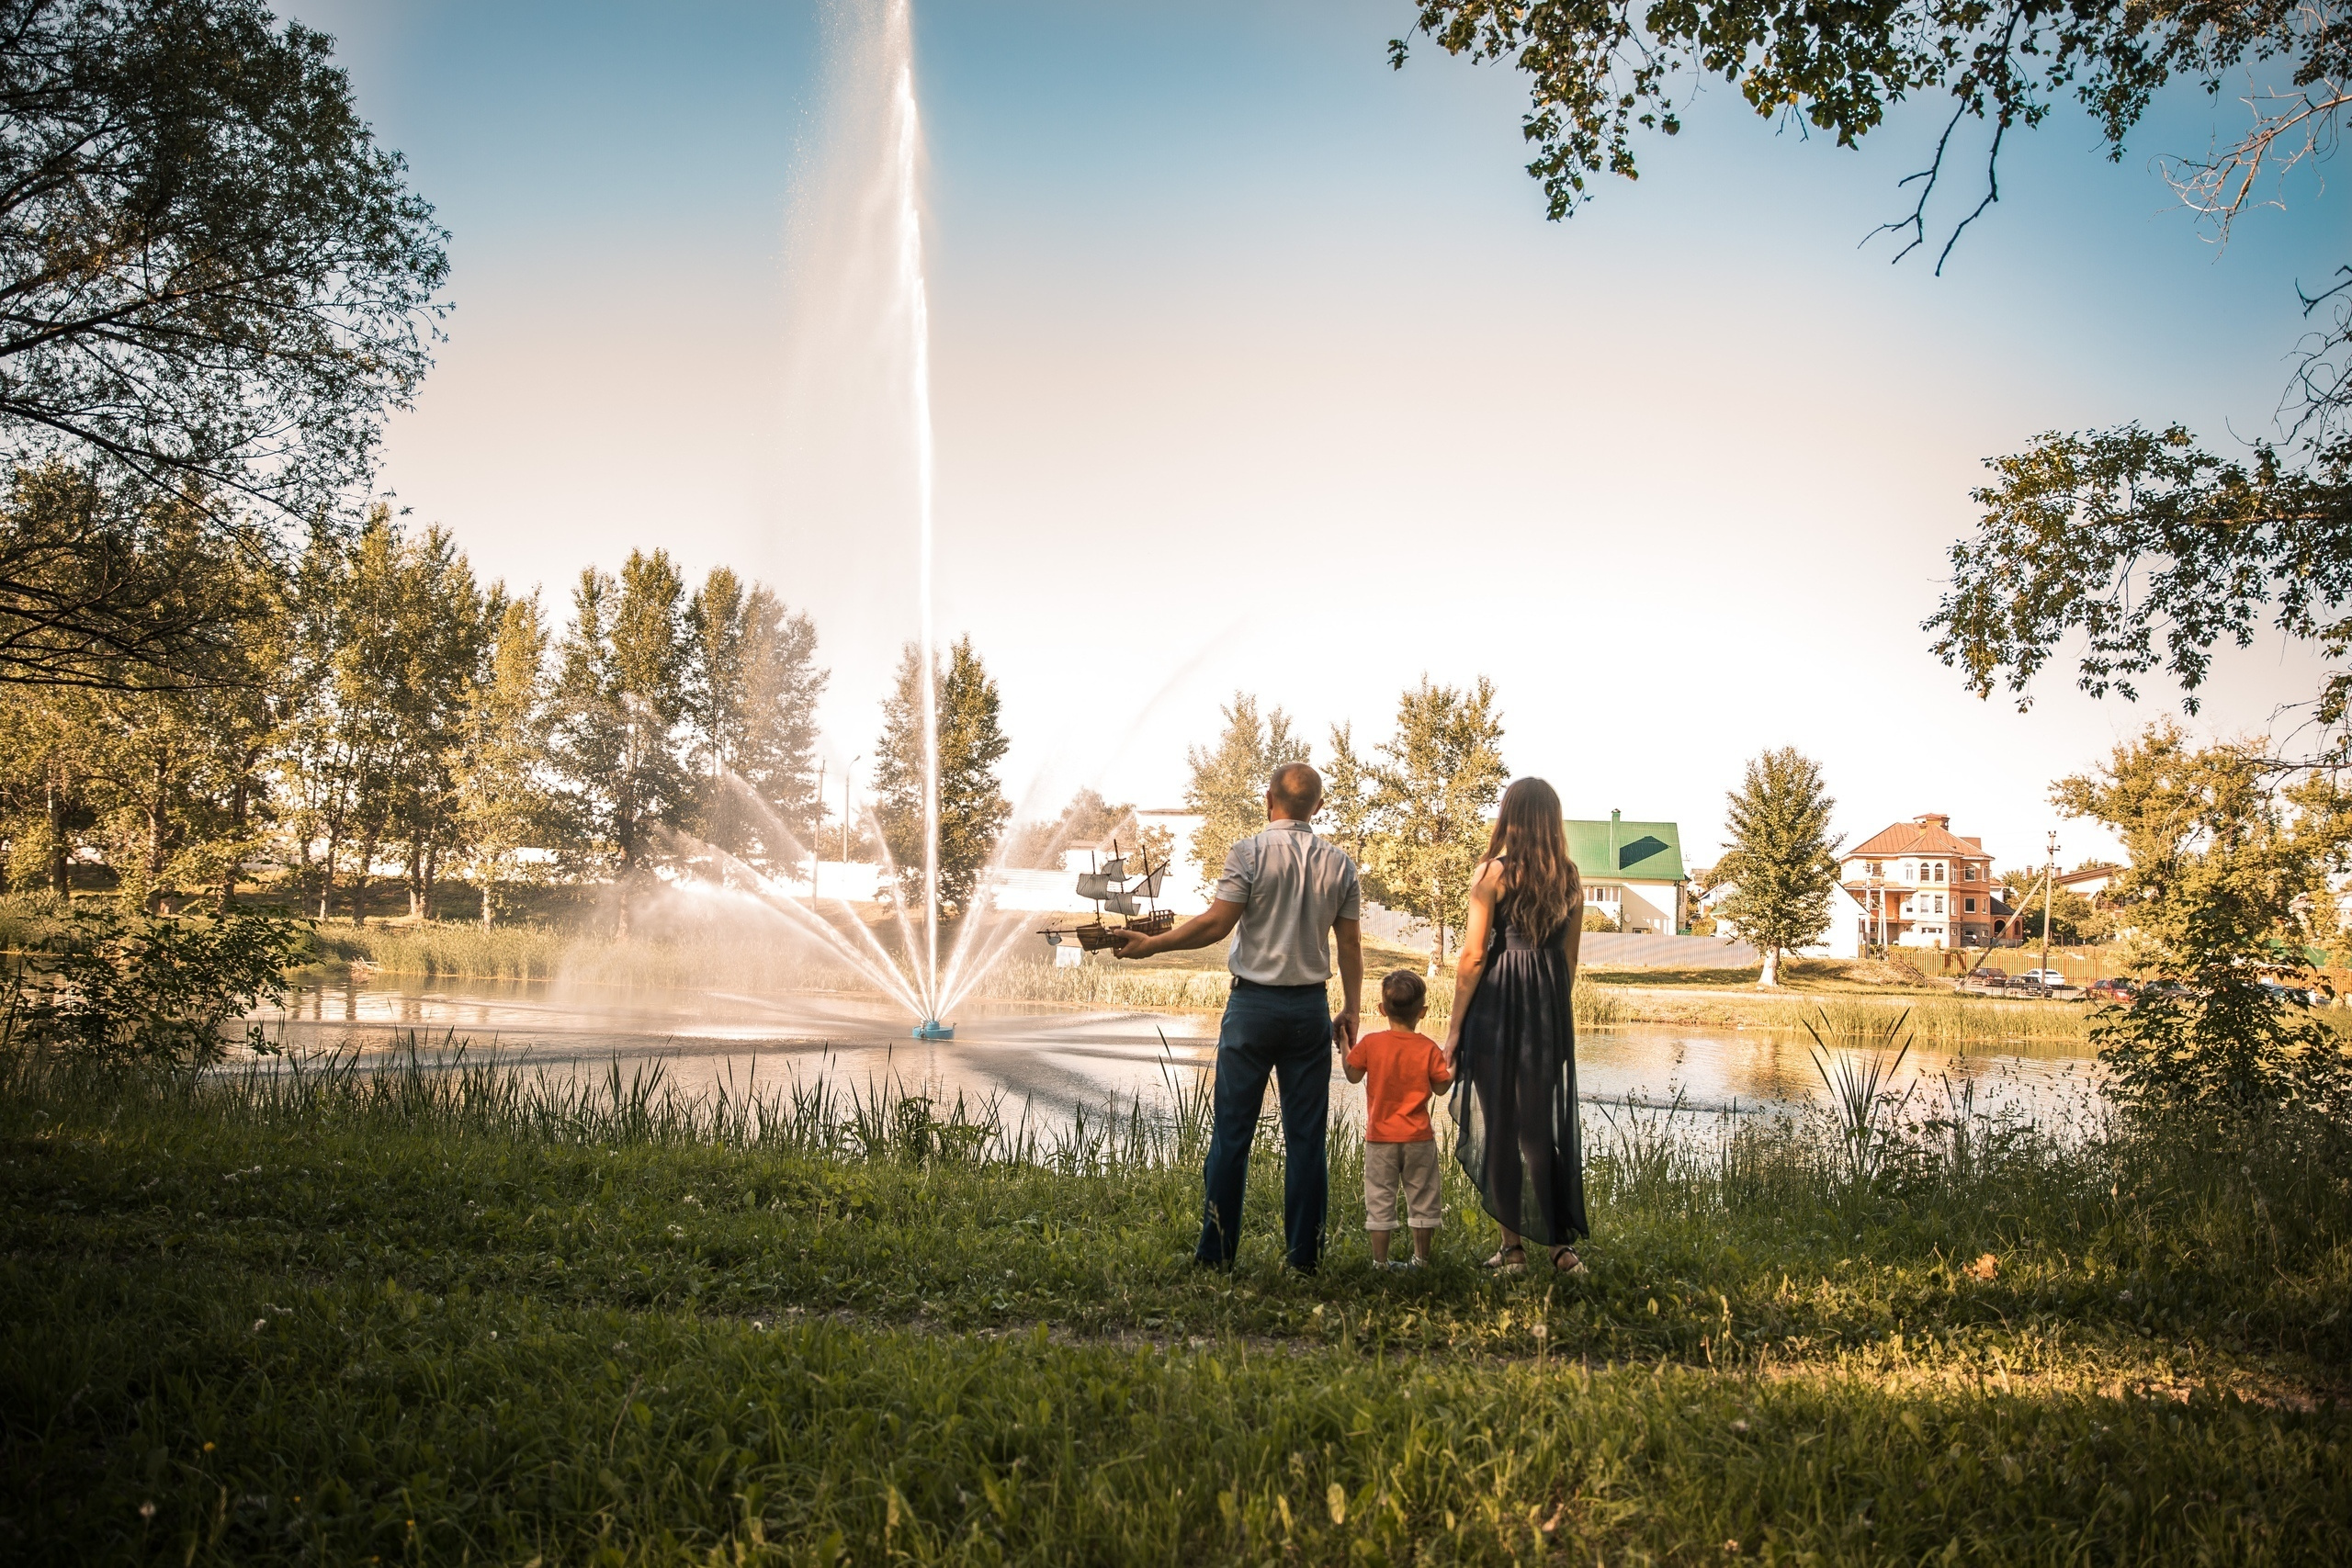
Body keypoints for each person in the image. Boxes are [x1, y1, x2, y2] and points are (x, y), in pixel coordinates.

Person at [1108, 761, 1362, 1270]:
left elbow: (1214, 925)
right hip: (1309, 1009)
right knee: (1307, 1140)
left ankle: (1215, 1256)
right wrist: (1351, 1009)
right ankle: (1304, 1261)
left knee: (1231, 1135)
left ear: (1270, 800)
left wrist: (1151, 946)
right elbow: (1350, 943)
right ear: (1318, 806)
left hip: (1252, 1007)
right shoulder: (1341, 864)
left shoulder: (1249, 853)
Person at [1444, 775, 1589, 1274]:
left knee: (1502, 1128)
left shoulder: (1493, 875)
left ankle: (1512, 1252)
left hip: (1497, 1006)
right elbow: (1568, 966)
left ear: (1511, 817)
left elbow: (1472, 957)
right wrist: (1549, 1016)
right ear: (1552, 821)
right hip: (1547, 1011)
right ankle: (1561, 1250)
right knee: (1536, 1132)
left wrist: (1453, 1029)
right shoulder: (1571, 880)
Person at [1343, 969, 1452, 1268]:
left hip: (1380, 1138)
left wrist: (1343, 1044)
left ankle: (1380, 1262)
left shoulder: (1371, 1044)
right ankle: (1421, 1260)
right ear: (1423, 1012)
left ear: (1381, 1010)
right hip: (1419, 1138)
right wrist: (1454, 1064)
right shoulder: (1429, 1048)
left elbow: (1352, 1076)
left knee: (1379, 1197)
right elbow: (1442, 1088)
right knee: (1423, 1197)